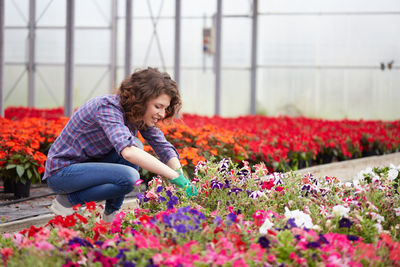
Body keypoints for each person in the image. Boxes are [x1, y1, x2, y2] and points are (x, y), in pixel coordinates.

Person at [43, 67, 198, 222]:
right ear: (141, 99)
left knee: (136, 144)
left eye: (165, 108)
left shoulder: (137, 115)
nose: (163, 114)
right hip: (62, 173)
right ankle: (66, 202)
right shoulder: (107, 107)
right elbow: (128, 152)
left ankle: (111, 216)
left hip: (89, 167)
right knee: (130, 175)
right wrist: (173, 176)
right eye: (158, 106)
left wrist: (181, 175)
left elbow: (162, 145)